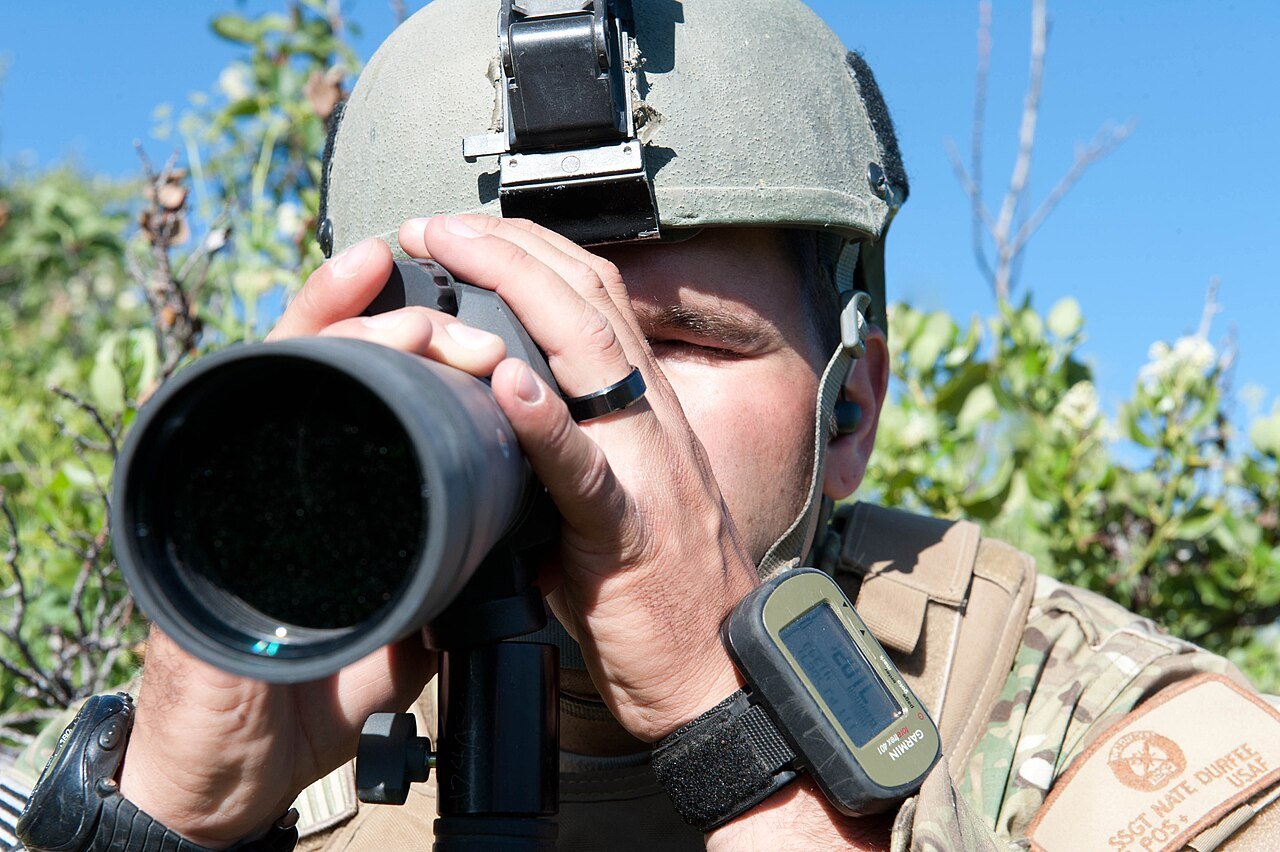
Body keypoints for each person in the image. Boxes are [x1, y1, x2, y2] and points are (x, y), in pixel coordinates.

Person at [5, 1, 1279, 850]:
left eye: (671, 345)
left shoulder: (1073, 728)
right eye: (482, 344)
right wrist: (168, 815)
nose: (556, 404)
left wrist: (735, 731)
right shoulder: (297, 710)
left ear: (848, 412)